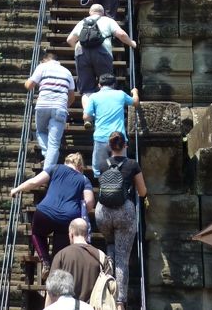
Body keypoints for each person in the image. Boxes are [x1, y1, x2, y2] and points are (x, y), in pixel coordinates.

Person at [10, 153, 95, 273]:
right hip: (68, 218)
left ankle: (45, 261)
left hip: (45, 212)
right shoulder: (84, 179)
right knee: (60, 251)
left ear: (66, 162)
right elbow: (90, 203)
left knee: (37, 233)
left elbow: (34, 182)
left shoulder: (55, 168)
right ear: (80, 167)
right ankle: (56, 270)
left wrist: (17, 189)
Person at [95, 132, 147, 310]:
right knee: (122, 259)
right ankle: (119, 303)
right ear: (125, 145)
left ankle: (106, 294)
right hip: (123, 212)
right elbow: (142, 191)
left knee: (110, 248)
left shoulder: (102, 165)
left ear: (110, 147)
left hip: (102, 213)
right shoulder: (132, 164)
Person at [66, 4, 136, 112]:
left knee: (87, 89)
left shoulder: (82, 22)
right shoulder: (107, 20)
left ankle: (88, 116)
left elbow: (70, 40)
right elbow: (121, 34)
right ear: (102, 13)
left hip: (81, 54)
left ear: (90, 12)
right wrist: (131, 43)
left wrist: (78, 50)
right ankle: (105, 112)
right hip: (102, 53)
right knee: (106, 84)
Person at [24, 49, 75, 169]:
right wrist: (63, 106)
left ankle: (47, 160)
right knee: (54, 143)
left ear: (45, 60)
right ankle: (49, 163)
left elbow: (29, 86)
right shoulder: (67, 72)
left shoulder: (42, 67)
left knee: (41, 132)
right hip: (60, 107)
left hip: (43, 105)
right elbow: (72, 96)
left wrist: (26, 82)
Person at [46, 218, 113, 306]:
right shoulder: (101, 256)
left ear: (71, 234)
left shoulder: (61, 255)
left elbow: (51, 290)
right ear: (86, 234)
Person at [83, 74, 139, 177]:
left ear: (99, 85)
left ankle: (102, 189)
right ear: (114, 84)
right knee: (122, 169)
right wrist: (135, 92)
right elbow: (135, 103)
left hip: (101, 137)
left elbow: (86, 117)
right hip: (119, 138)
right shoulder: (120, 94)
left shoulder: (94, 97)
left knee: (99, 170)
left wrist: (94, 116)